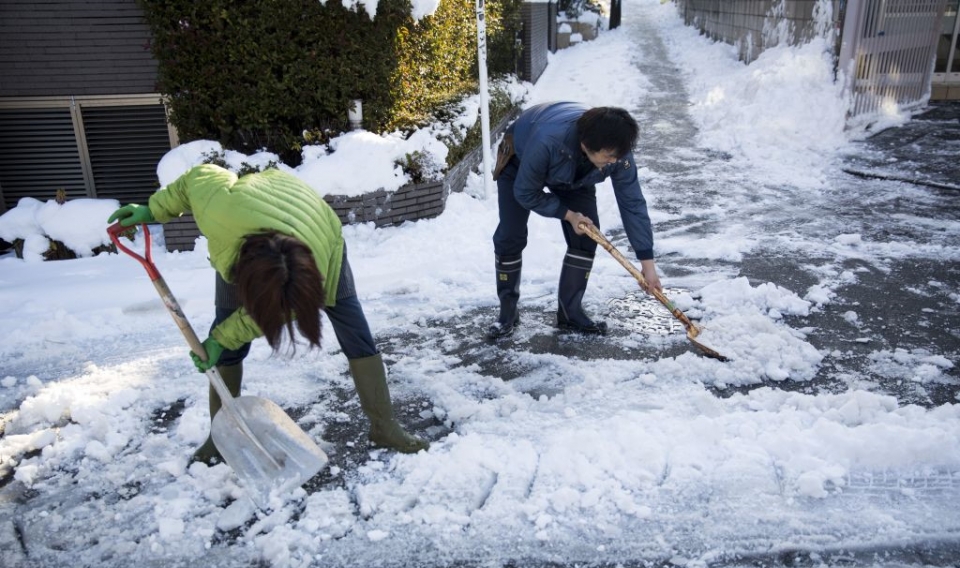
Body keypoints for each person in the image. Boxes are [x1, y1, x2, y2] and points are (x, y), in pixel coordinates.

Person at [108, 164, 429, 461]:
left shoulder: (310, 272)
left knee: (353, 328)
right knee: (227, 334)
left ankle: (384, 427)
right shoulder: (219, 206)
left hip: (320, 235)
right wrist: (153, 209)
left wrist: (221, 338)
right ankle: (221, 438)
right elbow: (198, 177)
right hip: (248, 226)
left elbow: (281, 309)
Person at [487, 102, 662, 340]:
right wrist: (568, 215)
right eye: (609, 156)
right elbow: (526, 192)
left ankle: (571, 312)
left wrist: (647, 264)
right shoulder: (547, 141)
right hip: (520, 161)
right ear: (586, 144)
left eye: (617, 156)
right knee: (510, 235)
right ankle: (507, 313)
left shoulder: (616, 153)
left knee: (588, 234)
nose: (614, 161)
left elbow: (632, 203)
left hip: (576, 175)